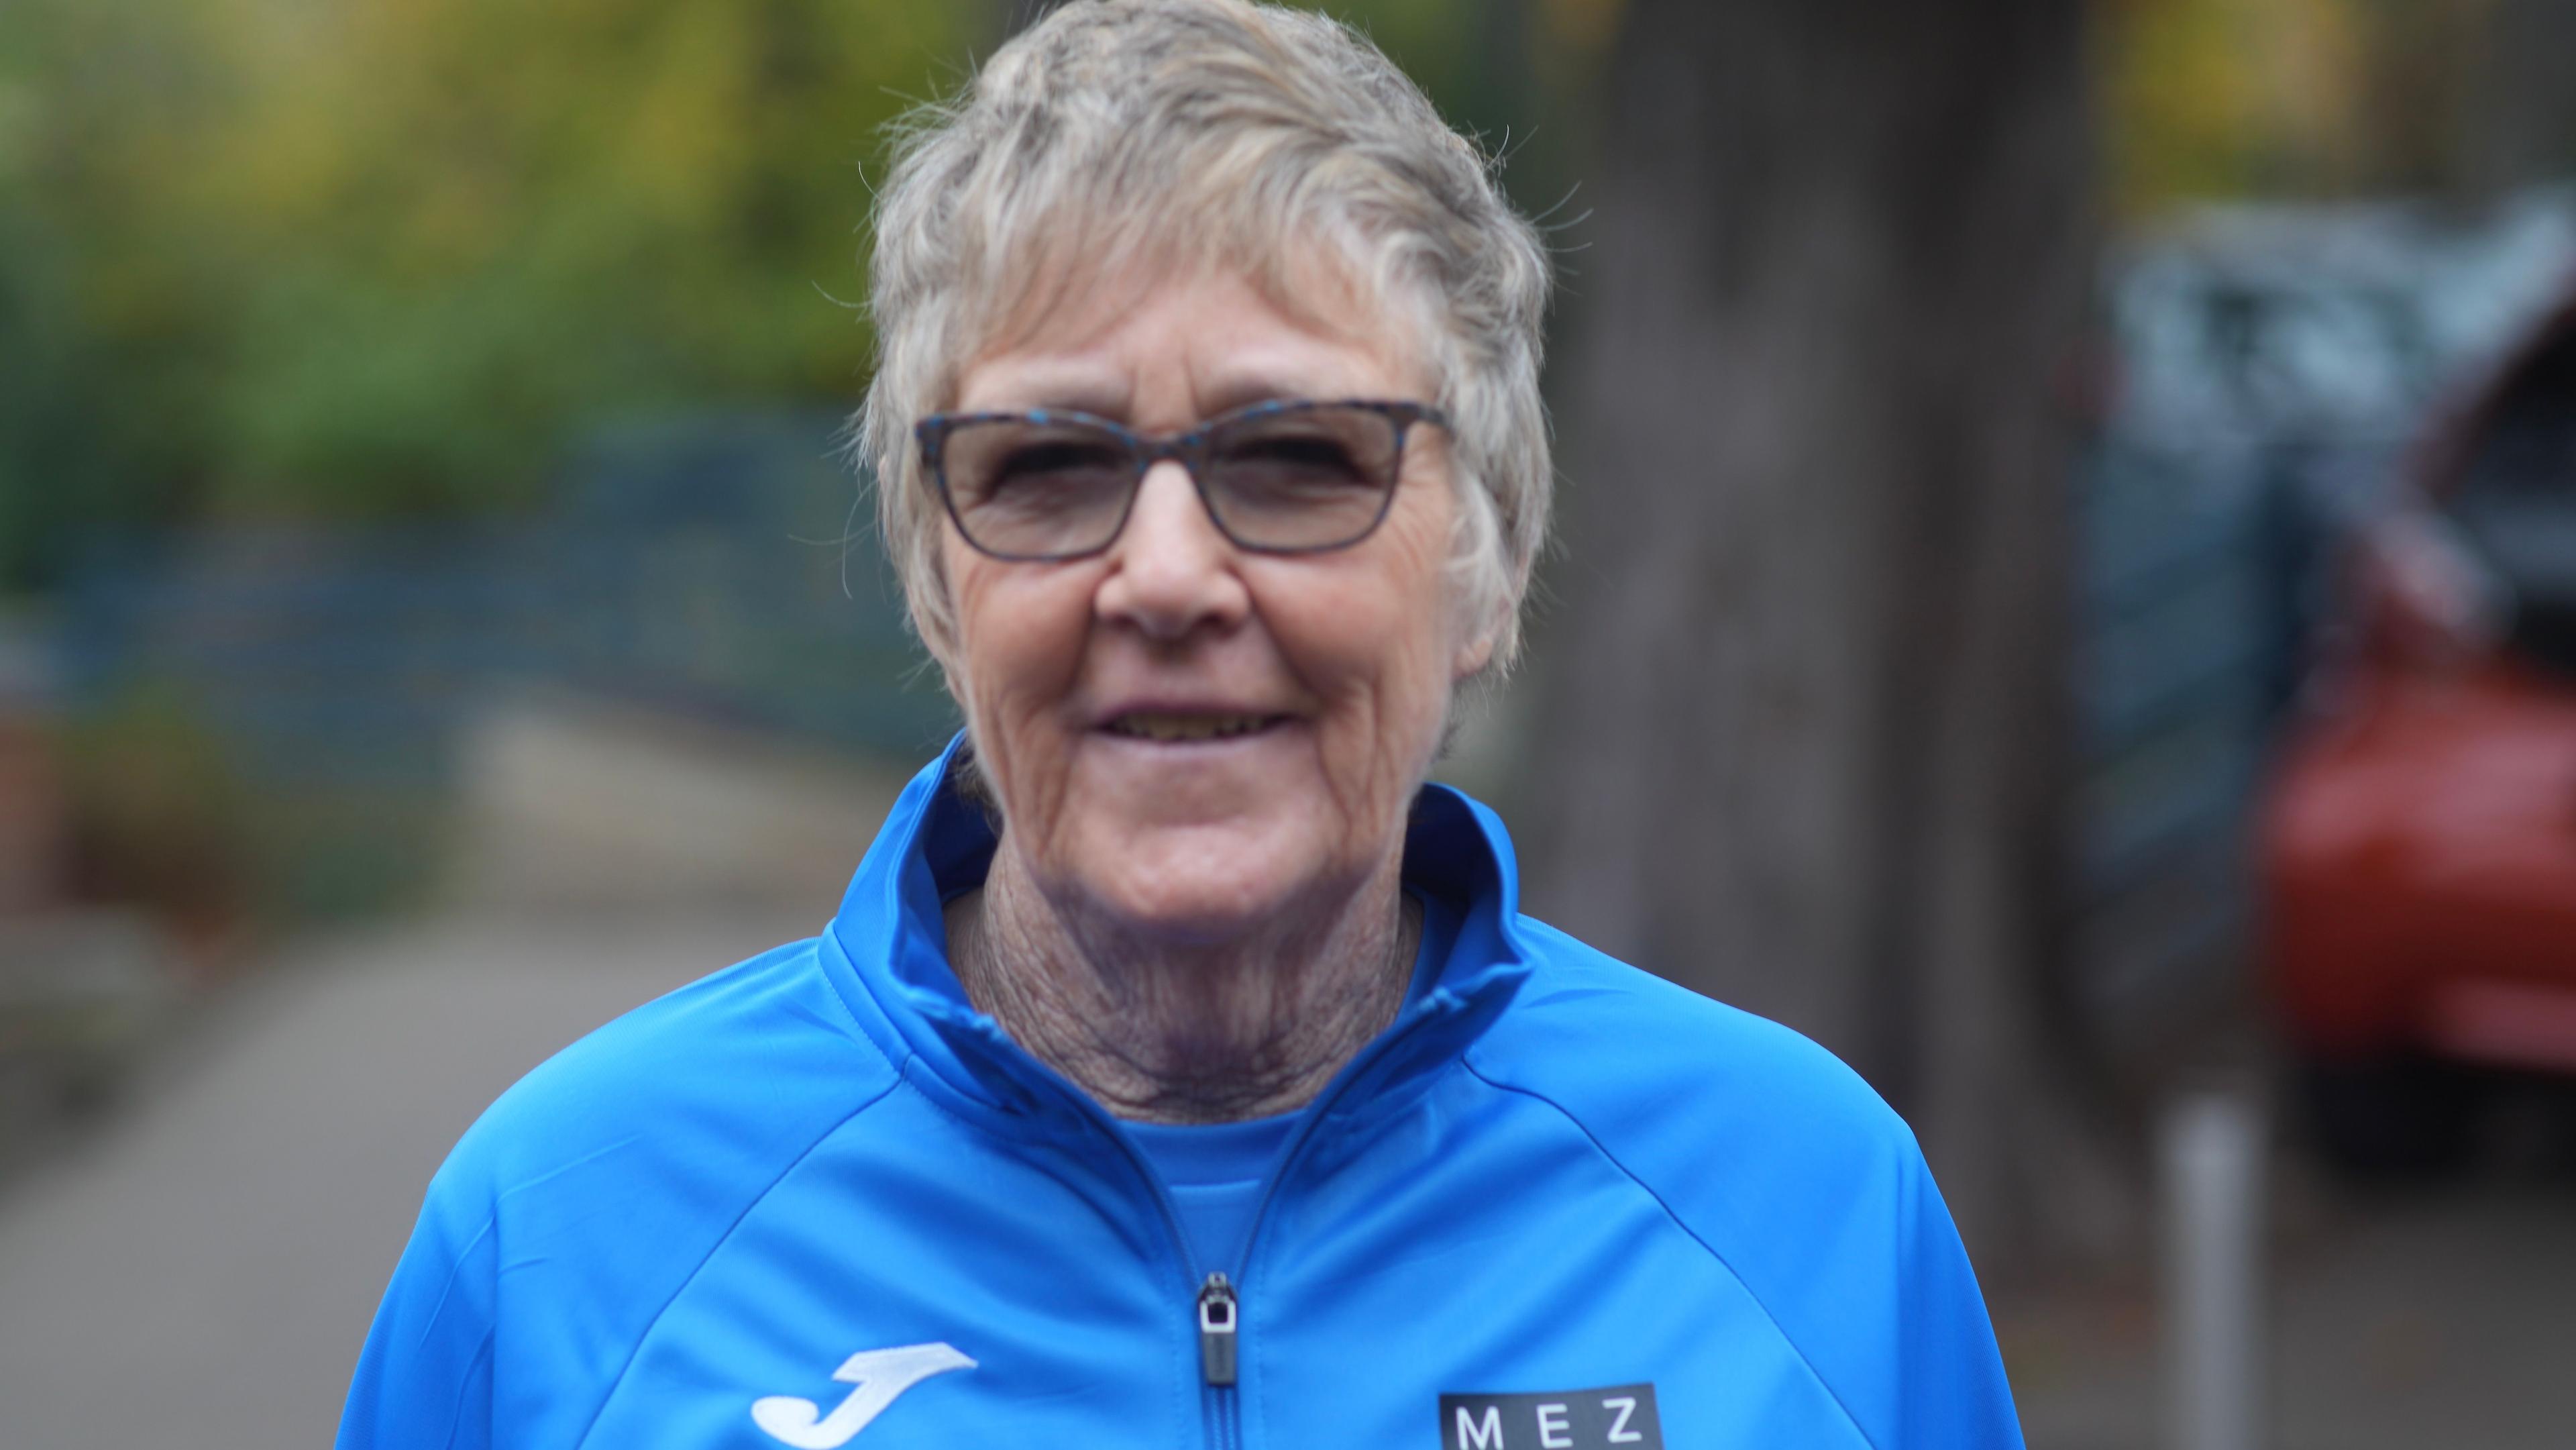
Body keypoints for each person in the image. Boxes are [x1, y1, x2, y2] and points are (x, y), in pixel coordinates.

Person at [338, 2, 2025, 1446]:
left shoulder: (1806, 1215)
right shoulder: (565, 1237)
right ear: (936, 586)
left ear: (1490, 567)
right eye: (1049, 468)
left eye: (1297, 458)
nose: (1165, 575)